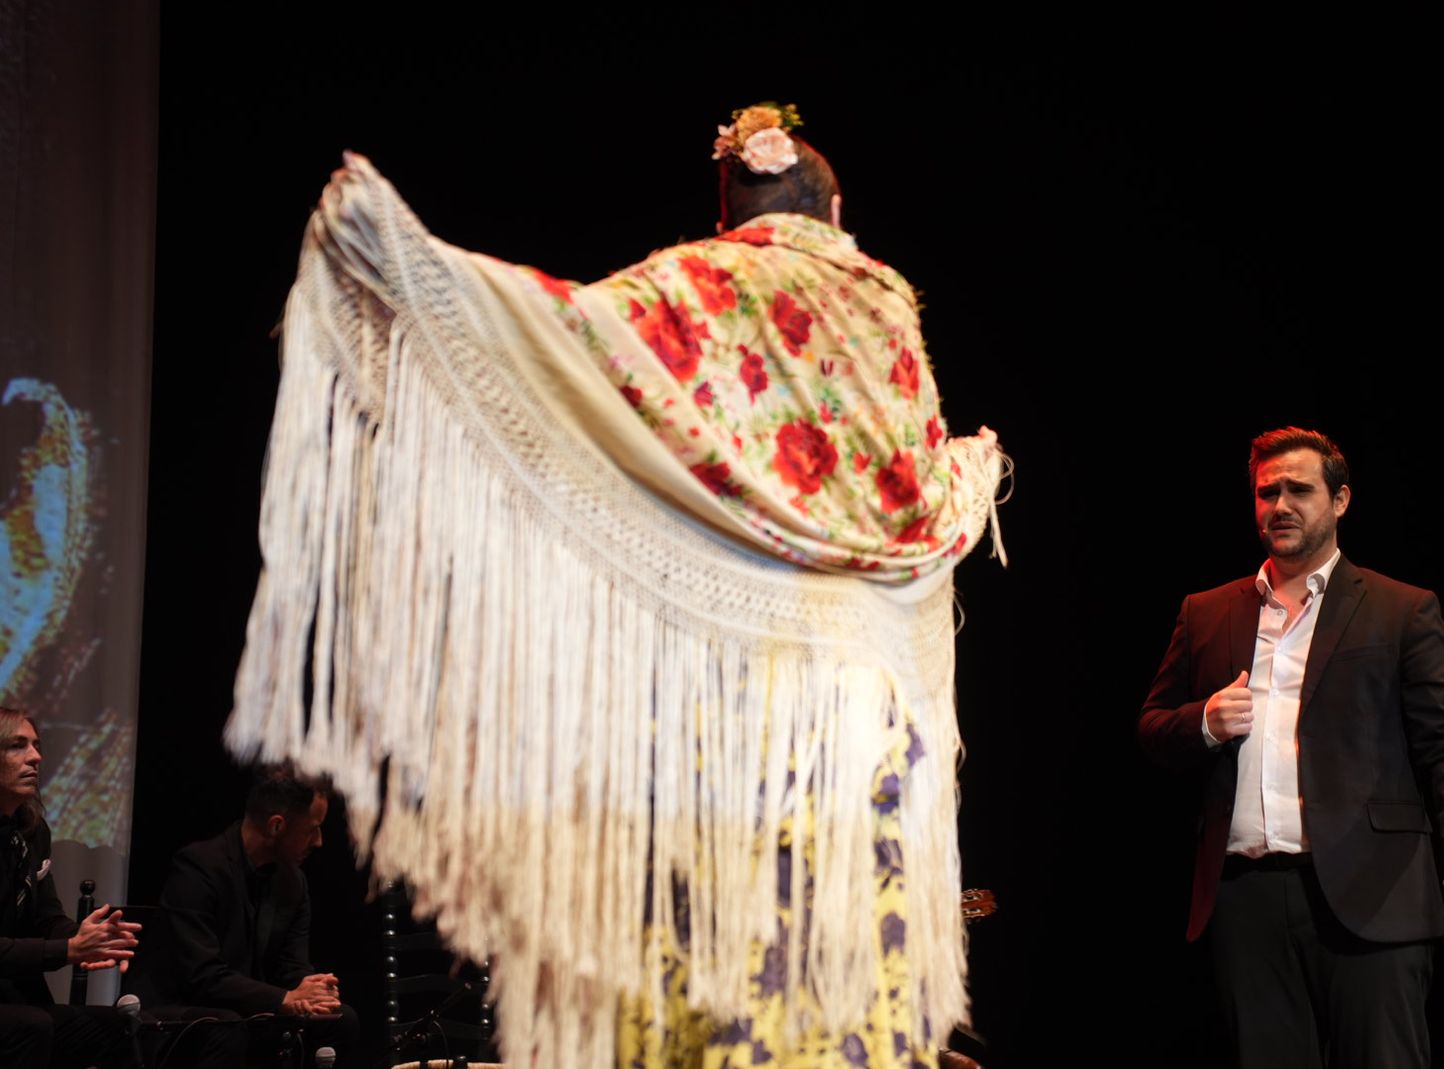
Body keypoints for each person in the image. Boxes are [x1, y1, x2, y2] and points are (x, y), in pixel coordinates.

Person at [225, 103, 1006, 1069]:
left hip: (720, 702)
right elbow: (918, 488)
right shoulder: (882, 303)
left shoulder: (695, 283)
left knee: (699, 959)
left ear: (726, 212)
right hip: (854, 713)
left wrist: (405, 269)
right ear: (835, 211)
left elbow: (563, 339)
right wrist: (974, 468)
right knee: (836, 968)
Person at [1137, 426, 1444, 1068]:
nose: (1280, 505)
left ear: (1340, 500)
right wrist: (1205, 722)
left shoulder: (1400, 609)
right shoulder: (1206, 612)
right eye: (1266, 492)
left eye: (1299, 490)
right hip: (1245, 896)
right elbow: (1153, 726)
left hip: (1374, 885)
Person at [142, 768, 358, 1066]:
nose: (319, 841)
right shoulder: (198, 868)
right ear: (276, 826)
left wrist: (314, 989)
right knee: (227, 1027)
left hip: (249, 1010)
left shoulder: (293, 882)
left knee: (340, 1019)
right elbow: (200, 976)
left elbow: (291, 969)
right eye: (312, 829)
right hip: (181, 1011)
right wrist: (284, 999)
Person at [0, 707, 141, 1069]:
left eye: (36, 745)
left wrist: (90, 937)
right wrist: (68, 949)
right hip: (15, 1012)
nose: (35, 756)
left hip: (19, 999)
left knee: (123, 1029)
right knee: (31, 1027)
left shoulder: (31, 830)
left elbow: (46, 919)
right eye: (17, 745)